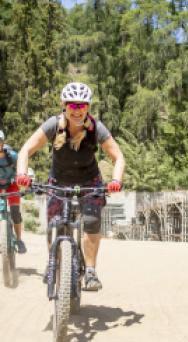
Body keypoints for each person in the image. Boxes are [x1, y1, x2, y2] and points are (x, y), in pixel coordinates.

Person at [16, 82, 125, 291]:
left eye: (82, 106)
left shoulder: (96, 128)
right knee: (53, 224)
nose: (78, 110)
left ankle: (91, 271)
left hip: (89, 181)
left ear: (88, 107)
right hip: (59, 180)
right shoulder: (53, 125)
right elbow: (25, 150)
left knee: (92, 221)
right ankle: (53, 263)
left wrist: (116, 181)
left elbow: (118, 156)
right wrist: (22, 174)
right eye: (73, 106)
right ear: (64, 106)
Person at [0, 130, 26, 254]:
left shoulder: (12, 156)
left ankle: (19, 240)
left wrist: (24, 177)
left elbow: (22, 166)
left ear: (2, 142)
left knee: (15, 212)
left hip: (12, 185)